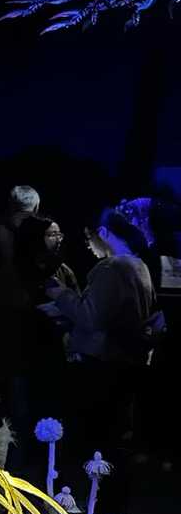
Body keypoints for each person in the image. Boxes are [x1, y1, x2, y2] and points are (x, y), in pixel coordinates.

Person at [45, 208, 162, 487]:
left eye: (89, 238)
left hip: (103, 363)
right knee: (115, 434)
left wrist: (59, 293)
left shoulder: (112, 268)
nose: (88, 245)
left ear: (104, 233)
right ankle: (111, 492)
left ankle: (93, 494)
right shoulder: (140, 265)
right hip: (128, 361)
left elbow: (90, 317)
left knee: (96, 435)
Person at [0, 214, 76, 471]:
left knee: (51, 422)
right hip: (20, 359)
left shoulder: (62, 271)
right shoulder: (10, 274)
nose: (58, 239)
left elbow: (78, 308)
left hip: (53, 358)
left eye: (59, 234)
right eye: (51, 234)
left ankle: (49, 476)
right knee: (20, 423)